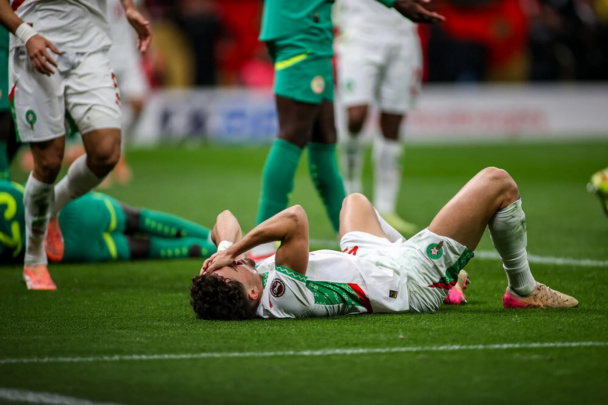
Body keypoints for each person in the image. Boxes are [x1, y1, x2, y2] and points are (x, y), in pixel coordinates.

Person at [191, 167, 578, 320]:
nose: (236, 261)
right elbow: (295, 218)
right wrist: (233, 251)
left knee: (354, 202)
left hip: (368, 264)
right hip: (407, 280)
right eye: (235, 267)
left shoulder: (247, 287)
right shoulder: (281, 290)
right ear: (255, 292)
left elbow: (225, 219)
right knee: (498, 183)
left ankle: (451, 281)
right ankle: (522, 289)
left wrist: (224, 249)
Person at [248, 0, 445, 261]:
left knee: (324, 139)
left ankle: (353, 237)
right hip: (301, 32)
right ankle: (261, 248)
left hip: (312, 34)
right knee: (292, 134)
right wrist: (397, 2)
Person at [0, 0, 152, 290]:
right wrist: (25, 35)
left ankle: (53, 207)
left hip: (89, 47)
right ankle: (34, 258)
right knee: (48, 162)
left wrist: (129, 8)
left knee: (107, 153)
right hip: (36, 46)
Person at [0, 180, 216, 284]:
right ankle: (220, 240)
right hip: (76, 210)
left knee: (151, 249)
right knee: (143, 220)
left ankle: (214, 250)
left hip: (69, 247)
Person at [336, 0, 422, 236]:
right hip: (360, 32)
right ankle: (350, 196)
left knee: (392, 123)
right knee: (356, 117)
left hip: (403, 35)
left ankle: (386, 208)